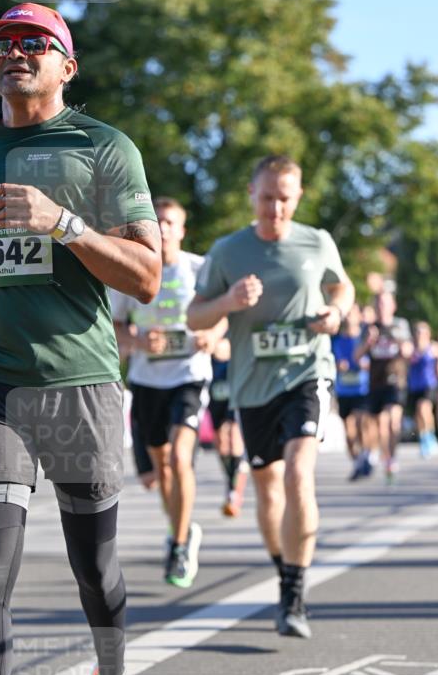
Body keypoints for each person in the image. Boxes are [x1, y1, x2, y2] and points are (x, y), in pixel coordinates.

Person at [0, 3, 161, 675]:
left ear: (66, 66)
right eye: (2, 44)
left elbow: (149, 276)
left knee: (98, 572)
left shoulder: (103, 149)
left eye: (32, 44)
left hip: (80, 383)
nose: (14, 53)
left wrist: (65, 223)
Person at [187, 155, 354, 638]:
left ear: (297, 197)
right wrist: (228, 302)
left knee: (300, 473)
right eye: (266, 198)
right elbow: (195, 316)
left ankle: (295, 596)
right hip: (252, 385)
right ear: (251, 194)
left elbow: (343, 288)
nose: (275, 208)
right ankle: (285, 570)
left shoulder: (316, 241)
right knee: (268, 489)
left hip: (308, 373)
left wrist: (336, 314)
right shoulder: (227, 251)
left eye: (284, 199)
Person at [110, 197, 223, 587]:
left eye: (170, 222)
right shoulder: (135, 271)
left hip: (189, 376)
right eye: (156, 221)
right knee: (161, 470)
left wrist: (212, 333)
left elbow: (223, 313)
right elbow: (115, 325)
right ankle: (183, 529)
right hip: (147, 380)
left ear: (182, 229)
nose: (164, 227)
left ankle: (177, 545)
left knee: (179, 456)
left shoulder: (200, 268)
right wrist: (138, 343)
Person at [356, 290, 413, 481]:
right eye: (378, 303)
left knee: (392, 419)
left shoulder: (400, 325)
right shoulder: (369, 328)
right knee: (377, 423)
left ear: (393, 306)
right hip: (375, 382)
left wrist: (396, 338)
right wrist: (368, 342)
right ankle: (383, 454)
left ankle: (392, 458)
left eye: (385, 303)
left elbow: (409, 352)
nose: (381, 307)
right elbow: (356, 357)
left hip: (396, 380)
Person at [332, 303, 374, 480]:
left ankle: (367, 455)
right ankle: (357, 460)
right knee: (349, 432)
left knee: (361, 423)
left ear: (359, 316)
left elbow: (376, 361)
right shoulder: (336, 340)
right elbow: (329, 359)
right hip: (343, 390)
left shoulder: (365, 339)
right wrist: (337, 365)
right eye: (346, 313)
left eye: (352, 313)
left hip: (362, 389)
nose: (349, 316)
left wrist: (368, 365)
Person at [209, 336, 250, 516]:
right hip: (215, 393)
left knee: (234, 438)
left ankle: (235, 493)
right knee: (222, 445)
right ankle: (231, 478)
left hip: (236, 391)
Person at [407, 322, 438, 458]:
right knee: (418, 414)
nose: (419, 335)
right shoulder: (410, 347)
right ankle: (423, 439)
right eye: (417, 332)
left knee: (424, 409)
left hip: (429, 384)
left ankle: (430, 436)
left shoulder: (434, 347)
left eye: (422, 332)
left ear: (428, 334)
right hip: (414, 385)